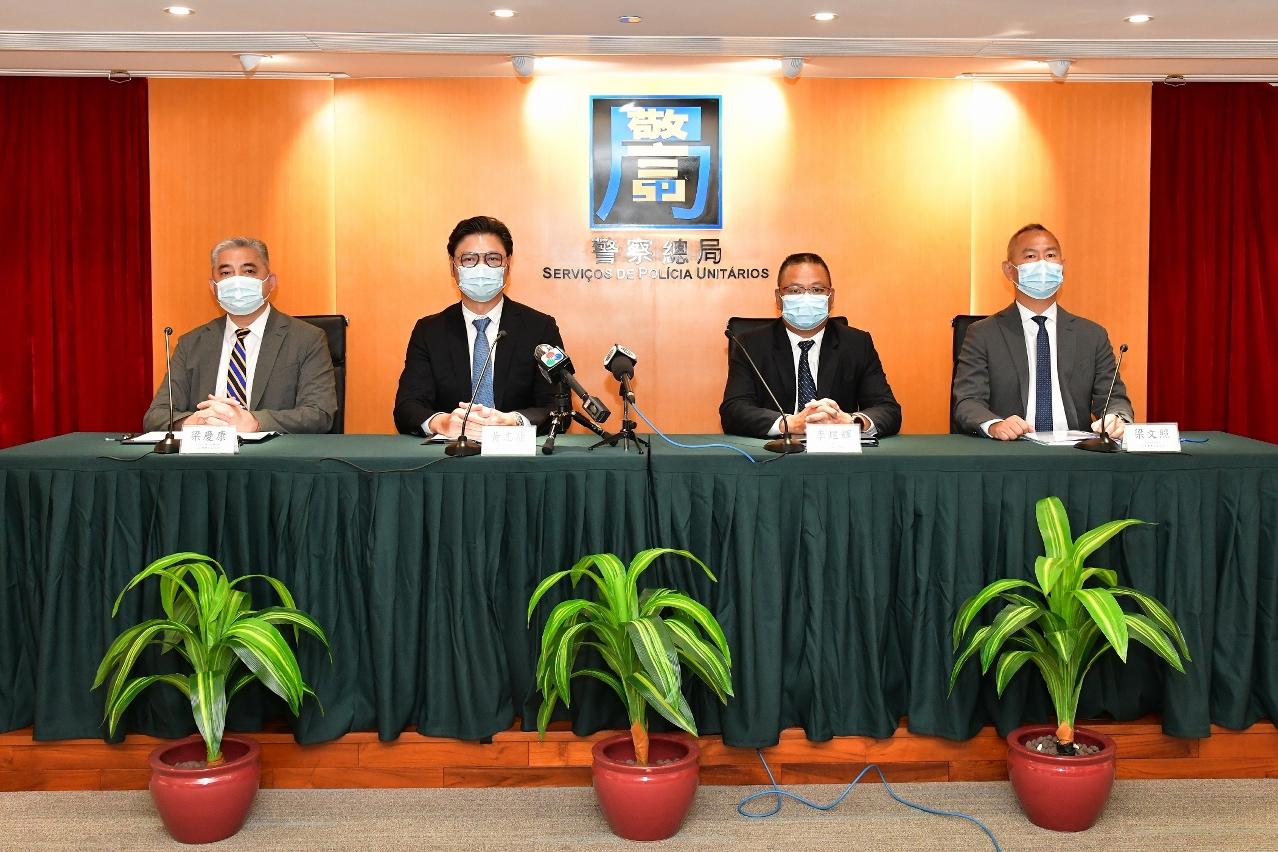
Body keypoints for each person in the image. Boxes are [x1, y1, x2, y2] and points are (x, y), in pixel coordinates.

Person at [952, 224, 1133, 440]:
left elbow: (1114, 398)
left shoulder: (1092, 335)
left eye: (1050, 255)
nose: (1042, 264)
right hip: (1012, 450)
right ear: (1009, 270)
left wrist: (1116, 418)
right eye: (1031, 256)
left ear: (1062, 267)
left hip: (1075, 451)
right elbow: (967, 401)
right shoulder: (983, 334)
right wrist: (994, 425)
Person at [393, 216, 565, 439]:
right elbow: (407, 407)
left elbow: (557, 407)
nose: (481, 268)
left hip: (517, 455)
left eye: (492, 258)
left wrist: (513, 421)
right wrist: (441, 423)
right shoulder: (429, 332)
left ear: (508, 264)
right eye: (469, 259)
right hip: (449, 454)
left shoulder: (539, 328)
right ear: (453, 266)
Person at [143, 237, 337, 434]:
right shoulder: (191, 343)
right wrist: (192, 422)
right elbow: (157, 416)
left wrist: (256, 423)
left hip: (274, 452)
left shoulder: (307, 339)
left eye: (249, 271)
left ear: (270, 282)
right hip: (208, 451)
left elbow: (319, 414)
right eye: (226, 273)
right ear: (213, 286)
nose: (237, 281)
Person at [720, 252, 902, 439]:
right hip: (774, 451)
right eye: (795, 291)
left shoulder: (856, 344)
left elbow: (888, 409)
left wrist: (850, 422)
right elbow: (733, 410)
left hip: (837, 451)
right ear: (779, 298)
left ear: (831, 297)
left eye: (817, 290)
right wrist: (789, 424)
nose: (806, 298)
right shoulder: (750, 345)